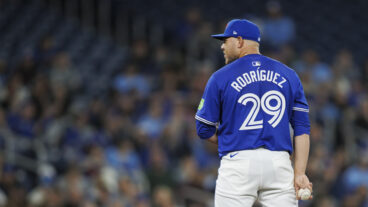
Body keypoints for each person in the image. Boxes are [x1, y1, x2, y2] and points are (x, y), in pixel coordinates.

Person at [195, 19, 313, 206]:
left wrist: (231, 138)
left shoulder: (220, 76)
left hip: (238, 162)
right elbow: (302, 128)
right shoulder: (289, 74)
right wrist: (299, 173)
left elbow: (203, 129)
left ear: (239, 41)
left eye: (226, 41)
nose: (222, 47)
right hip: (278, 163)